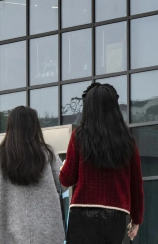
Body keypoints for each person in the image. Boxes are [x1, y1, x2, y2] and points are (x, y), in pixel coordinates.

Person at [60, 82, 144, 243]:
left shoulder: (79, 136)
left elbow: (67, 179)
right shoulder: (127, 141)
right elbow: (136, 184)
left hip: (83, 212)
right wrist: (136, 219)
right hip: (116, 214)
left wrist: (63, 168)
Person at [0, 106, 65, 243]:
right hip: (47, 234)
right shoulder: (47, 154)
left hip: (10, 235)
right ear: (35, 127)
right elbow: (63, 183)